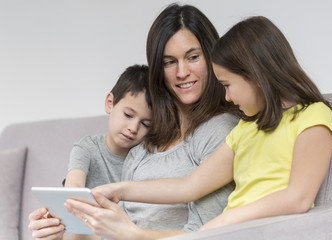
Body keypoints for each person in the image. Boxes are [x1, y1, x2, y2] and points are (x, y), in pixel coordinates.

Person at [64, 15, 332, 238]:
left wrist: (223, 223)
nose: (227, 96)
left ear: (254, 75)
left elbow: (298, 198)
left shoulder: (313, 116)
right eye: (170, 63)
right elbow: (189, 186)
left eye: (228, 85)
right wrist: (120, 190)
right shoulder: (245, 131)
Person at [28, 4, 240, 240]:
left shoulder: (219, 130)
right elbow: (112, 229)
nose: (182, 72)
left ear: (212, 56)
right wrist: (59, 231)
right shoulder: (146, 135)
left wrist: (132, 234)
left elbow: (207, 235)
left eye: (193, 57)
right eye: (169, 62)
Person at [30, 64, 152, 240]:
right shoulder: (87, 148)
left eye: (145, 124)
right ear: (110, 103)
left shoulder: (145, 157)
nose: (133, 128)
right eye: (128, 115)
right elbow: (73, 191)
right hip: (87, 230)